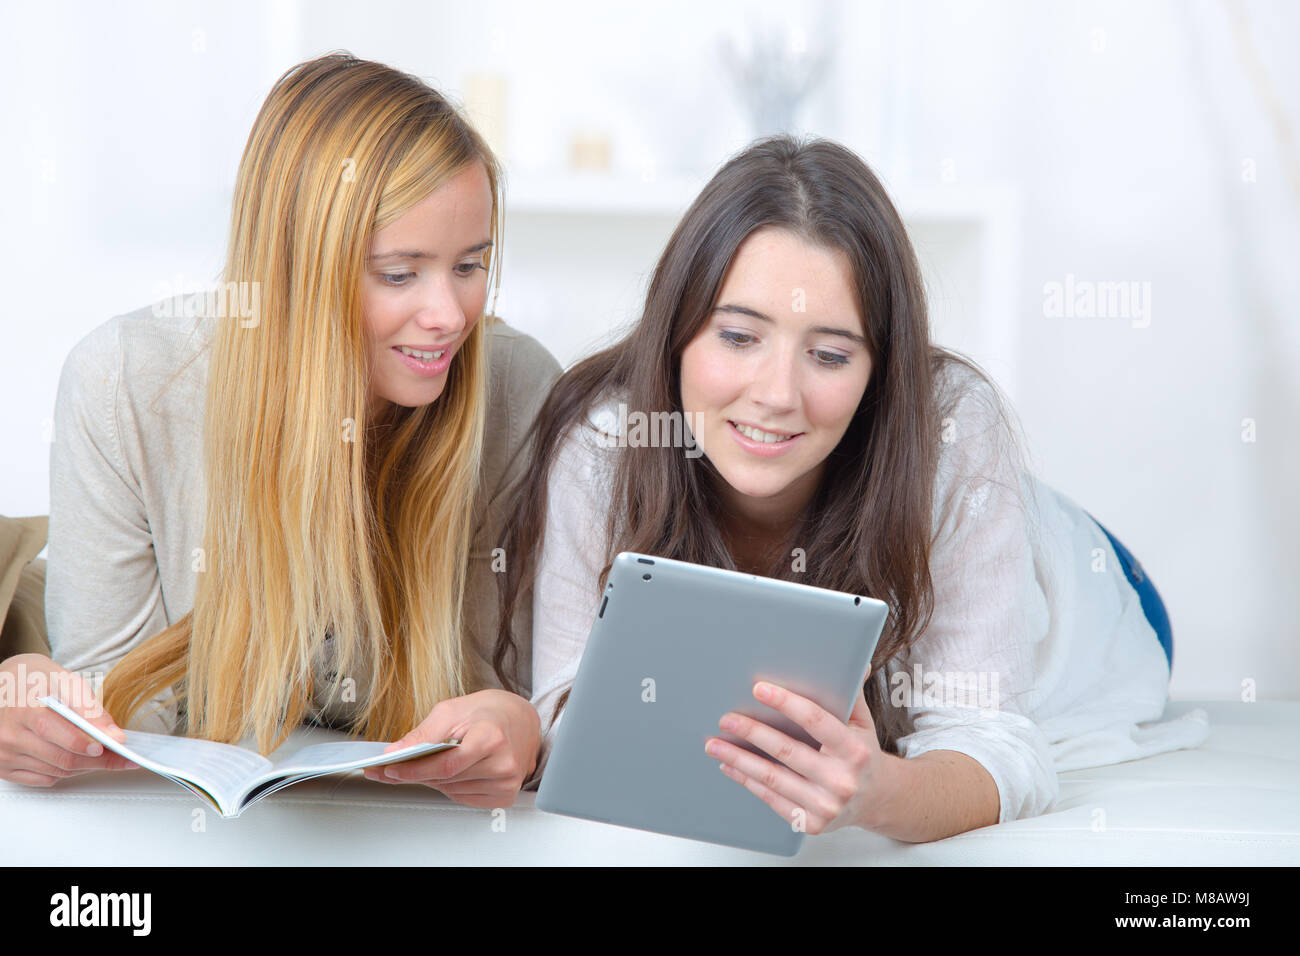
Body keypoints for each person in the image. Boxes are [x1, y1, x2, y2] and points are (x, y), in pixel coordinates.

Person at [494, 135, 1209, 842]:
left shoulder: (955, 429)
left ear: (880, 374)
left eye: (830, 355)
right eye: (739, 338)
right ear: (675, 333)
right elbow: (567, 709)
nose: (777, 394)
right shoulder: (605, 441)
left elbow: (996, 740)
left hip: (1075, 604)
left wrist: (878, 791)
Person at [0, 52, 562, 810]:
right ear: (297, 269)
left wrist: (517, 724)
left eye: (470, 265)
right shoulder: (124, 381)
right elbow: (120, 711)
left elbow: (504, 691)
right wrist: (44, 711)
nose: (452, 315)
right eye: (400, 274)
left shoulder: (519, 390)